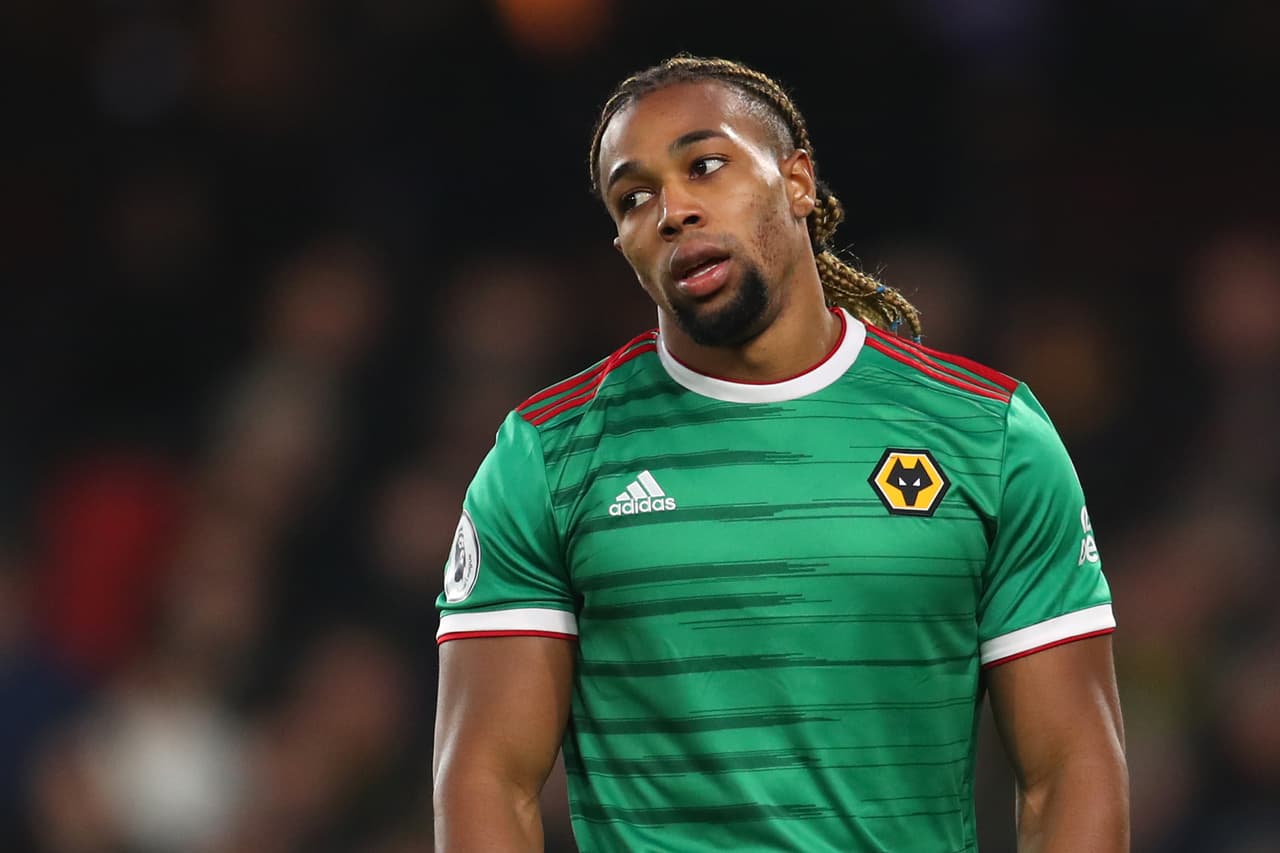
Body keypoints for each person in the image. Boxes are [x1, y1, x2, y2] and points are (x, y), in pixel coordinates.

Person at [432, 55, 1128, 852]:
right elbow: (487, 776)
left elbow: (1071, 767)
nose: (672, 210)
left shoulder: (991, 435)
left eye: (704, 165)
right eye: (634, 197)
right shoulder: (545, 456)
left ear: (797, 182)